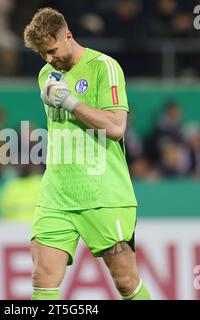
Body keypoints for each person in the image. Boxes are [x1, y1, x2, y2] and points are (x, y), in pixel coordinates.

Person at [23, 8, 151, 300]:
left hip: (103, 194)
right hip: (57, 195)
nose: (48, 59)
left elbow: (117, 127)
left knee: (125, 282)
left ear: (67, 36)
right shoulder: (46, 74)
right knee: (42, 278)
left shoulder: (103, 67)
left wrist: (70, 102)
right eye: (42, 54)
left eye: (52, 50)